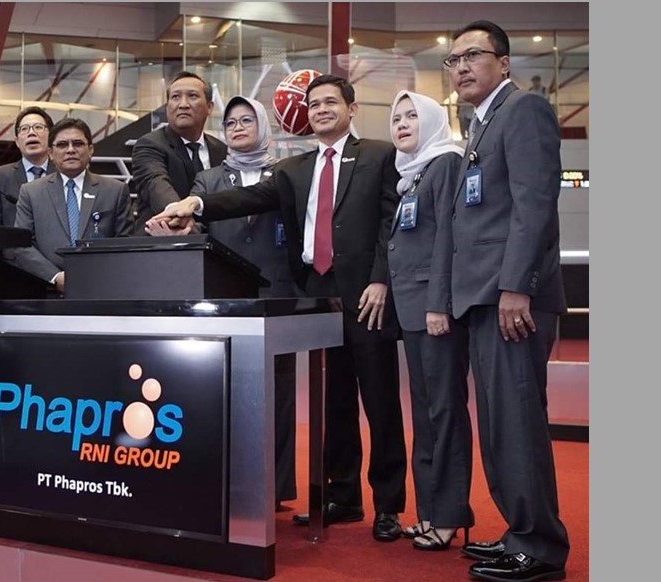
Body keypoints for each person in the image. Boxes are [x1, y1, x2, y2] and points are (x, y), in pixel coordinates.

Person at [148, 75, 406, 543]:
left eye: (330, 102)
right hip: (320, 294)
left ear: (351, 109)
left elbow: (391, 222)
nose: (321, 110)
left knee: (380, 401)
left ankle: (388, 506)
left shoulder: (378, 155)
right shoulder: (292, 169)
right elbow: (245, 198)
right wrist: (195, 203)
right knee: (335, 403)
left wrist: (381, 279)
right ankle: (343, 497)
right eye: (314, 104)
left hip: (366, 295)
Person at [444, 20, 569, 582]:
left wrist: (516, 285)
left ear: (504, 62)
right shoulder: (482, 123)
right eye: (453, 60)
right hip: (484, 300)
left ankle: (541, 549)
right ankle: (521, 531)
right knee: (499, 425)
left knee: (517, 424)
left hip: (511, 299)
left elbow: (534, 204)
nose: (462, 67)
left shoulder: (524, 110)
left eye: (473, 55)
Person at [150, 95, 297, 505]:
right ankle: (224, 483)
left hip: (277, 295)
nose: (237, 128)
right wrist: (176, 230)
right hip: (223, 297)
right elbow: (195, 229)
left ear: (263, 125)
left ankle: (275, 488)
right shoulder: (208, 179)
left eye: (247, 120)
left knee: (279, 394)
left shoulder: (287, 173)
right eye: (230, 122)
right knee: (222, 392)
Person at [386, 90, 473, 551]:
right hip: (413, 311)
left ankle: (449, 514)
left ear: (434, 121)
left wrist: (439, 303)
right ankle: (429, 512)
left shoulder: (445, 164)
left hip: (434, 311)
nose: (402, 124)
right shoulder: (413, 174)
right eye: (396, 118)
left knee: (444, 412)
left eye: (412, 116)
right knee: (424, 413)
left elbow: (447, 240)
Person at [11, 118, 131, 295]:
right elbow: (21, 245)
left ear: (91, 150)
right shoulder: (31, 192)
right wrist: (55, 277)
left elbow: (124, 243)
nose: (70, 150)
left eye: (78, 144)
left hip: (102, 289)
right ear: (51, 153)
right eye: (62, 145)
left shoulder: (115, 190)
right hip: (46, 291)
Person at [130, 71, 228, 234]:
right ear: (167, 106)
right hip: (161, 240)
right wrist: (178, 213)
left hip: (213, 244)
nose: (183, 104)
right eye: (175, 97)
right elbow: (155, 183)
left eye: (192, 96)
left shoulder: (221, 150)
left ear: (210, 107)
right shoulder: (149, 144)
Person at [0, 106, 55, 228]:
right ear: (17, 141)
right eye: (24, 129)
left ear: (51, 137)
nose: (31, 133)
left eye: (38, 127)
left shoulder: (63, 174)